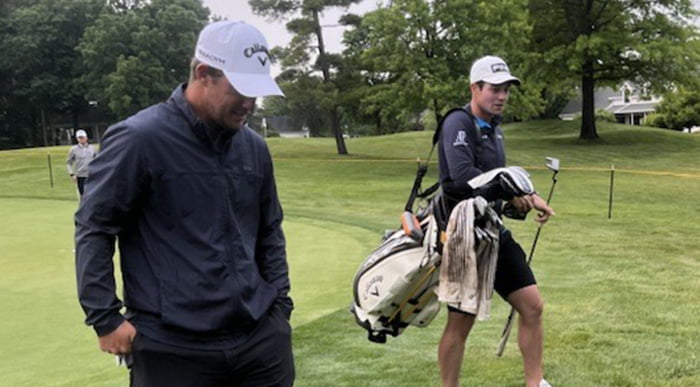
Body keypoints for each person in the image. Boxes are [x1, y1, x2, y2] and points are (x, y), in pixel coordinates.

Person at [75, 21, 294, 387]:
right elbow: (94, 228)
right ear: (203, 73)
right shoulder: (139, 140)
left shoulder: (253, 147)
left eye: (257, 92)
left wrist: (279, 307)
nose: (250, 104)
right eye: (241, 90)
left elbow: (269, 228)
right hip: (172, 348)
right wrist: (106, 318)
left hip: (259, 341)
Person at [436, 55, 555, 387]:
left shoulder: (494, 128)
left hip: (491, 230)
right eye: (494, 89)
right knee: (461, 322)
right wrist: (509, 190)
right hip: (464, 236)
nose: (501, 96)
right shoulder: (458, 123)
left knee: (531, 305)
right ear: (475, 87)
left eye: (506, 90)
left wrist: (529, 198)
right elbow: (461, 180)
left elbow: (495, 185)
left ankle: (535, 382)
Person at [66, 129, 96, 200]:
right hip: (80, 176)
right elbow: (68, 163)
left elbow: (97, 160)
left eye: (82, 137)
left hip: (91, 175)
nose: (81, 139)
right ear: (77, 139)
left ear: (86, 138)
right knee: (82, 196)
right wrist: (72, 174)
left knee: (92, 195)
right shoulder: (73, 149)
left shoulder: (92, 148)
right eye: (79, 138)